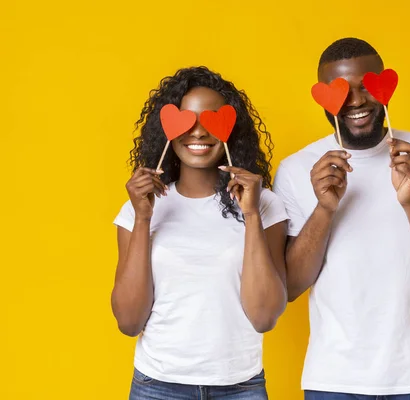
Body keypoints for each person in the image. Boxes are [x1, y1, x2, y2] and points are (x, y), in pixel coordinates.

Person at [273, 38, 410, 400]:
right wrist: (324, 209)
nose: (356, 101)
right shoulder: (295, 170)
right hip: (334, 381)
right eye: (341, 90)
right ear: (323, 97)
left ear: (384, 84)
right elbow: (290, 286)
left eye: (367, 85)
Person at [111, 66, 288, 400]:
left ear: (230, 130)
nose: (199, 132)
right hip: (157, 386)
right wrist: (143, 218)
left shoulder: (264, 205)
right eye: (187, 121)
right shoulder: (138, 209)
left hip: (241, 387)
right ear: (166, 132)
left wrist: (250, 214)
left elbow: (264, 316)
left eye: (211, 120)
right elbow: (128, 322)